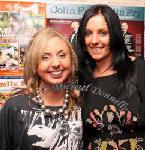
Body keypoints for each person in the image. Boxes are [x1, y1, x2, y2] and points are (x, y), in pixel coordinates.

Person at [0, 28, 83, 150]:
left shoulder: (81, 103)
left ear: (71, 60)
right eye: (45, 57)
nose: (55, 63)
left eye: (62, 55)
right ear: (34, 64)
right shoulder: (14, 107)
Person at [76, 4, 145, 149]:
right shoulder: (80, 78)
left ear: (114, 34)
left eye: (103, 33)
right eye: (88, 33)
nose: (94, 40)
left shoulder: (138, 68)